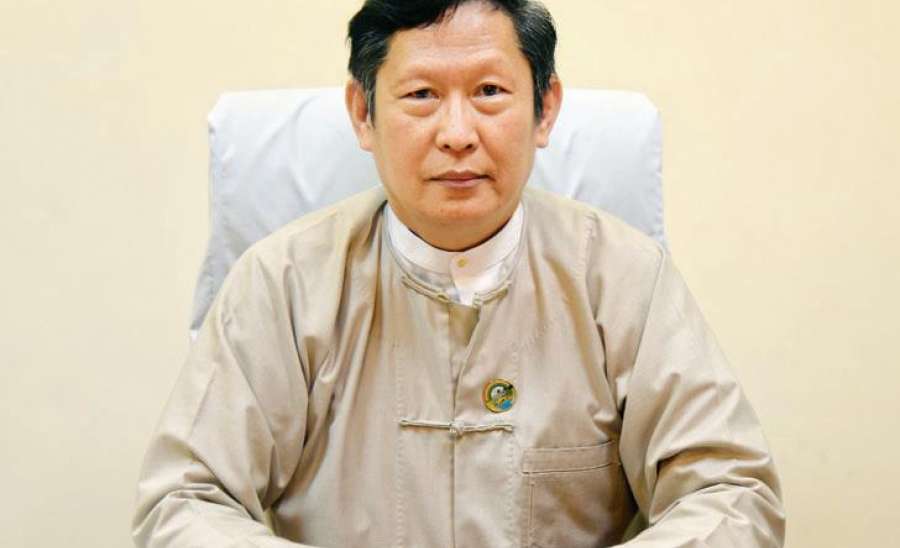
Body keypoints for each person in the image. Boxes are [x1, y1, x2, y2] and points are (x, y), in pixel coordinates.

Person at [132, 1, 786, 546]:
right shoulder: (282, 284)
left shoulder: (624, 279)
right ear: (363, 113)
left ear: (545, 108)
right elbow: (182, 503)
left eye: (489, 92)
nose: (457, 133)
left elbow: (732, 494)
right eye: (421, 95)